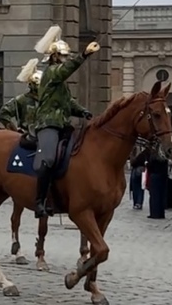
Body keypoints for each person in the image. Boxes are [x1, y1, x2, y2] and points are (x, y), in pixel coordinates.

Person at [31, 25, 98, 219]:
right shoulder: (51, 73)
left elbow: (68, 102)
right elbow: (66, 70)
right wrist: (84, 55)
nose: (65, 59)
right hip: (48, 123)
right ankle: (40, 201)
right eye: (62, 56)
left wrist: (82, 111)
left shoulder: (60, 83)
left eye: (66, 56)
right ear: (53, 57)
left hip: (62, 124)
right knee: (48, 158)